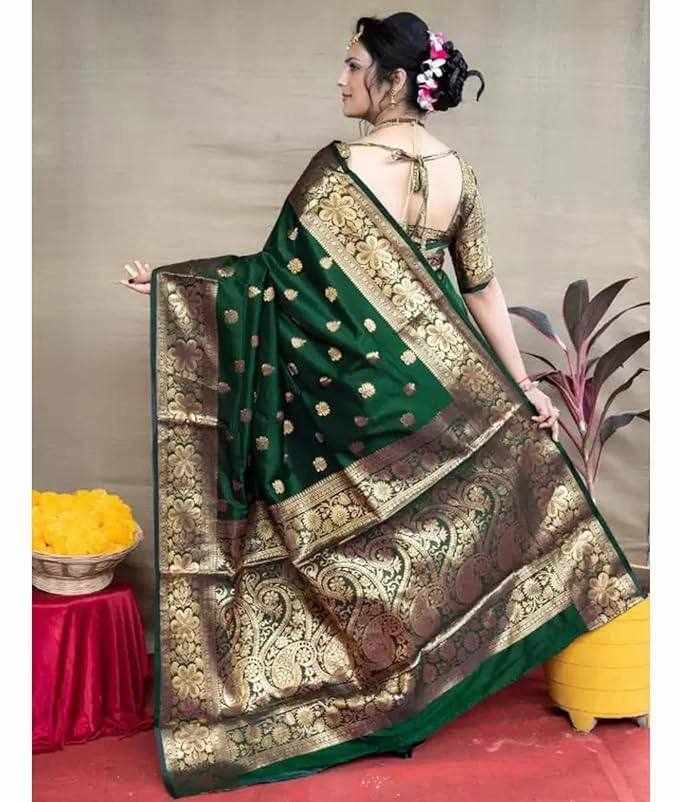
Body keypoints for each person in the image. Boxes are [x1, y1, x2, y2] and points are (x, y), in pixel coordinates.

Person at [119, 13, 645, 798]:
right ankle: (419, 680)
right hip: (437, 395)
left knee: (333, 541)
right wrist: (523, 386)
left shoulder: (341, 169)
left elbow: (272, 284)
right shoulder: (459, 174)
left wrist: (179, 287)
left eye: (352, 64)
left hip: (350, 399)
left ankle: (357, 690)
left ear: (393, 80)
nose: (339, 79)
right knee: (430, 530)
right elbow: (481, 288)